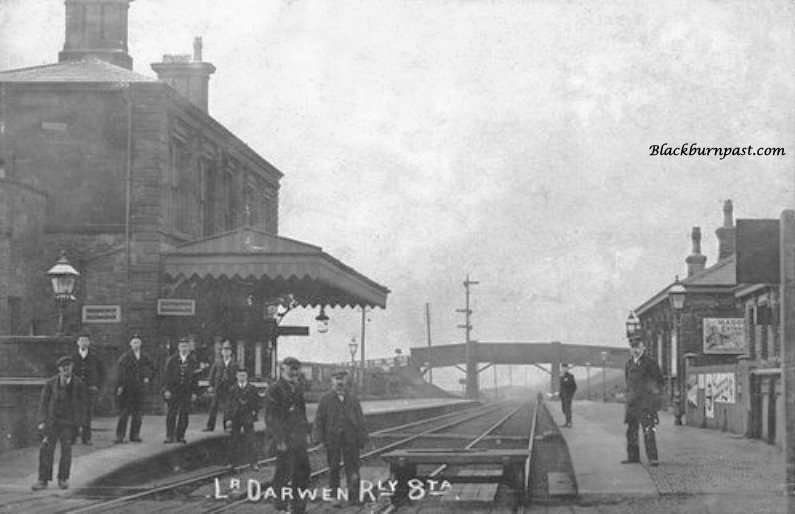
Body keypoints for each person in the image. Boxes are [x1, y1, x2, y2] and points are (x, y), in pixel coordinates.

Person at [313, 368, 369, 505]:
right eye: (337, 379)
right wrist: (319, 440)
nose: (339, 382)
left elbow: (360, 420)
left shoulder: (353, 399)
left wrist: (362, 439)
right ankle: (334, 497)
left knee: (353, 468)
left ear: (347, 381)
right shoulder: (325, 399)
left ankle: (354, 497)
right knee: (333, 468)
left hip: (351, 440)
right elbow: (319, 420)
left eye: (342, 379)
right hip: (332, 439)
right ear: (332, 381)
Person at [31, 355, 87, 491]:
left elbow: (83, 406)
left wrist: (80, 425)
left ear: (72, 368)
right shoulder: (51, 383)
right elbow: (43, 403)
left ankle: (63, 479)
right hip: (52, 422)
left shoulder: (78, 384)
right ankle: (43, 480)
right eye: (63, 367)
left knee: (66, 451)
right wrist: (41, 421)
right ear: (59, 369)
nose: (66, 370)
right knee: (45, 450)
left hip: (69, 423)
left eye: (68, 367)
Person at [266, 356, 311, 513]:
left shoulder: (297, 388)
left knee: (303, 472)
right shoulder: (275, 389)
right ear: (282, 369)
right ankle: (281, 507)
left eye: (296, 369)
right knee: (283, 474)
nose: (294, 372)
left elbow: (302, 412)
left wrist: (307, 432)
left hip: (298, 439)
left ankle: (298, 508)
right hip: (284, 440)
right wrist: (279, 440)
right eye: (291, 368)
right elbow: (271, 418)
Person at [623, 339, 665, 466]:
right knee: (631, 431)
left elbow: (659, 381)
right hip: (632, 404)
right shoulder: (629, 364)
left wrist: (653, 397)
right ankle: (633, 457)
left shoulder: (650, 363)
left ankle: (653, 457)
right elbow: (628, 383)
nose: (635, 350)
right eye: (633, 347)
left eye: (638, 347)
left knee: (648, 430)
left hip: (646, 404)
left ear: (643, 348)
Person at [115, 334, 154, 443]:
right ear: (130, 344)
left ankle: (135, 435)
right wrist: (120, 386)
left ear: (141, 344)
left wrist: (148, 377)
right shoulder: (125, 357)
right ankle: (120, 436)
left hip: (139, 389)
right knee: (124, 413)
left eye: (138, 342)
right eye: (134, 342)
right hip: (128, 389)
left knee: (138, 413)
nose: (136, 345)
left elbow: (153, 368)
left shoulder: (145, 356)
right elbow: (120, 372)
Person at [162, 337, 200, 443]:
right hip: (174, 391)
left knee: (184, 414)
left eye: (186, 346)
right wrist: (167, 390)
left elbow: (195, 378)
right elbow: (166, 377)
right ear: (178, 348)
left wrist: (194, 392)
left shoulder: (193, 361)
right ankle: (169, 436)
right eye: (182, 346)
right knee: (171, 414)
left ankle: (180, 436)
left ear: (188, 348)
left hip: (186, 392)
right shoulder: (172, 360)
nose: (184, 348)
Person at [71, 332, 106, 445]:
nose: (83, 343)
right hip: (75, 390)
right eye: (81, 340)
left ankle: (86, 438)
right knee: (74, 412)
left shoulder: (94, 357)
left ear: (89, 343)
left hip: (89, 390)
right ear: (77, 343)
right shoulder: (72, 357)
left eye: (85, 341)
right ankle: (73, 437)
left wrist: (97, 386)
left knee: (87, 414)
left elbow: (102, 373)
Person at [224, 368, 261, 469]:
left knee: (251, 440)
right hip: (235, 417)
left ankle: (254, 463)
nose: (241, 377)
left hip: (247, 417)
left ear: (247, 376)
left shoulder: (252, 389)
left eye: (243, 375)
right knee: (234, 440)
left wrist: (255, 411)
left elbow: (258, 402)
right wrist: (228, 419)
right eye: (240, 375)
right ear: (236, 376)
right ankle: (232, 463)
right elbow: (228, 405)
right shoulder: (232, 389)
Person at [204, 340, 237, 432]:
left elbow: (237, 377)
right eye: (224, 350)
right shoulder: (217, 362)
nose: (226, 352)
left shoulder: (235, 364)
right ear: (222, 352)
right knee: (213, 407)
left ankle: (226, 426)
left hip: (229, 389)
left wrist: (235, 387)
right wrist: (210, 385)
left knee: (228, 408)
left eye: (228, 350)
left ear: (231, 352)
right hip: (218, 388)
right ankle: (210, 426)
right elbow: (212, 375)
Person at [559, 363, 577, 428]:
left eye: (564, 368)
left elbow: (574, 387)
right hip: (563, 396)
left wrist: (571, 394)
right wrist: (560, 394)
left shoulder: (570, 376)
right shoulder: (561, 376)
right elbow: (561, 387)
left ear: (567, 368)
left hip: (568, 396)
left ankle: (569, 422)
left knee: (567, 409)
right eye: (562, 368)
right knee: (564, 409)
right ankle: (567, 422)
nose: (563, 369)